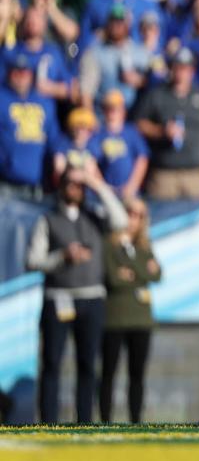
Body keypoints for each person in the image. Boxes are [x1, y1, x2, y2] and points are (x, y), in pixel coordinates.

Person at [26, 164, 129, 423]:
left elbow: (121, 220)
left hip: (91, 298)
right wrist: (62, 257)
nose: (77, 188)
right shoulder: (48, 219)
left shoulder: (94, 215)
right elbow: (32, 260)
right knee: (52, 364)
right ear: (61, 186)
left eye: (80, 184)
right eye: (72, 183)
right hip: (58, 297)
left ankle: (84, 422)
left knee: (88, 365)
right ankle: (48, 423)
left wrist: (96, 183)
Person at [99, 197, 161, 423]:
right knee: (108, 373)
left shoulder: (143, 245)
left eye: (140, 215)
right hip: (114, 318)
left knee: (137, 374)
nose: (134, 220)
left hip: (141, 319)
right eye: (131, 213)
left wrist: (133, 268)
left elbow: (157, 275)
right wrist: (141, 271)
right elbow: (114, 278)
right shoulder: (109, 244)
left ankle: (136, 420)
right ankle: (105, 420)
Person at [133, 47, 199, 200]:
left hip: (195, 173)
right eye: (177, 67)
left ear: (192, 71)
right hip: (164, 174)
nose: (181, 72)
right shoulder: (156, 94)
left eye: (186, 68)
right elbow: (139, 124)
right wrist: (160, 131)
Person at [0, 54, 59, 199]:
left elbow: (54, 141)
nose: (21, 76)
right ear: (8, 73)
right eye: (16, 72)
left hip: (36, 187)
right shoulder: (2, 98)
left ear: (32, 74)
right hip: (6, 185)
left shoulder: (45, 103)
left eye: (25, 72)